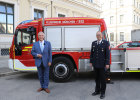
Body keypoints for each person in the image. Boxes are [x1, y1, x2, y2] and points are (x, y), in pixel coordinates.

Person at [90, 31, 110, 99]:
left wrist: (107, 63)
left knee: (103, 79)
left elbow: (107, 54)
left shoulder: (106, 43)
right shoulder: (94, 43)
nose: (98, 36)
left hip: (102, 64)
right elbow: (92, 53)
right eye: (97, 35)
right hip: (95, 64)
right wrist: (91, 61)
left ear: (102, 35)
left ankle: (103, 92)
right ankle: (97, 90)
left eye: (99, 35)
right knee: (96, 78)